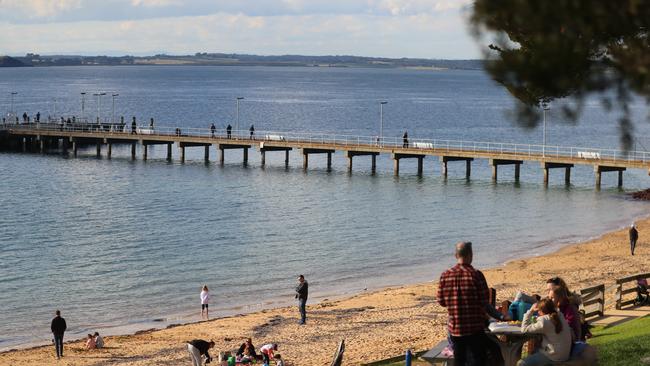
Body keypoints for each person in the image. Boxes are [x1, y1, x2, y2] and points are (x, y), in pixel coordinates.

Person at [437, 241, 490, 366]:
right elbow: (484, 301)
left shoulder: (445, 275)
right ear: (470, 255)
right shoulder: (476, 274)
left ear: (456, 255)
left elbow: (441, 301)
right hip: (475, 327)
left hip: (456, 328)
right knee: (478, 360)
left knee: (459, 360)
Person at [517, 298, 572, 366]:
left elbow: (524, 329)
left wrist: (530, 311)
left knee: (521, 363)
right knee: (534, 350)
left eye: (539, 311)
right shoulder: (560, 315)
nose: (538, 313)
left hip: (553, 356)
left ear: (542, 311)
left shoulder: (544, 321)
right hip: (564, 354)